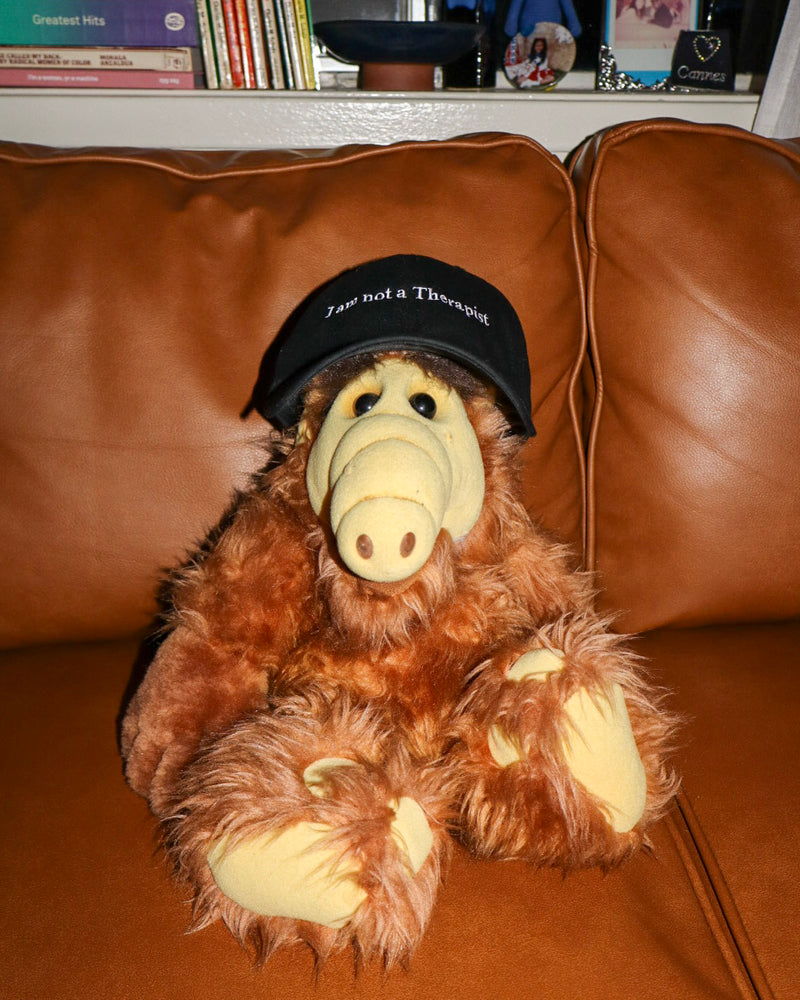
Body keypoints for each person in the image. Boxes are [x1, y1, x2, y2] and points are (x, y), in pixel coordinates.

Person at [503, 0, 582, 39]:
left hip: (551, 30)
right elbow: (515, 8)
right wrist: (511, 26)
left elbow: (568, 8)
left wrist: (574, 27)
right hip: (530, 30)